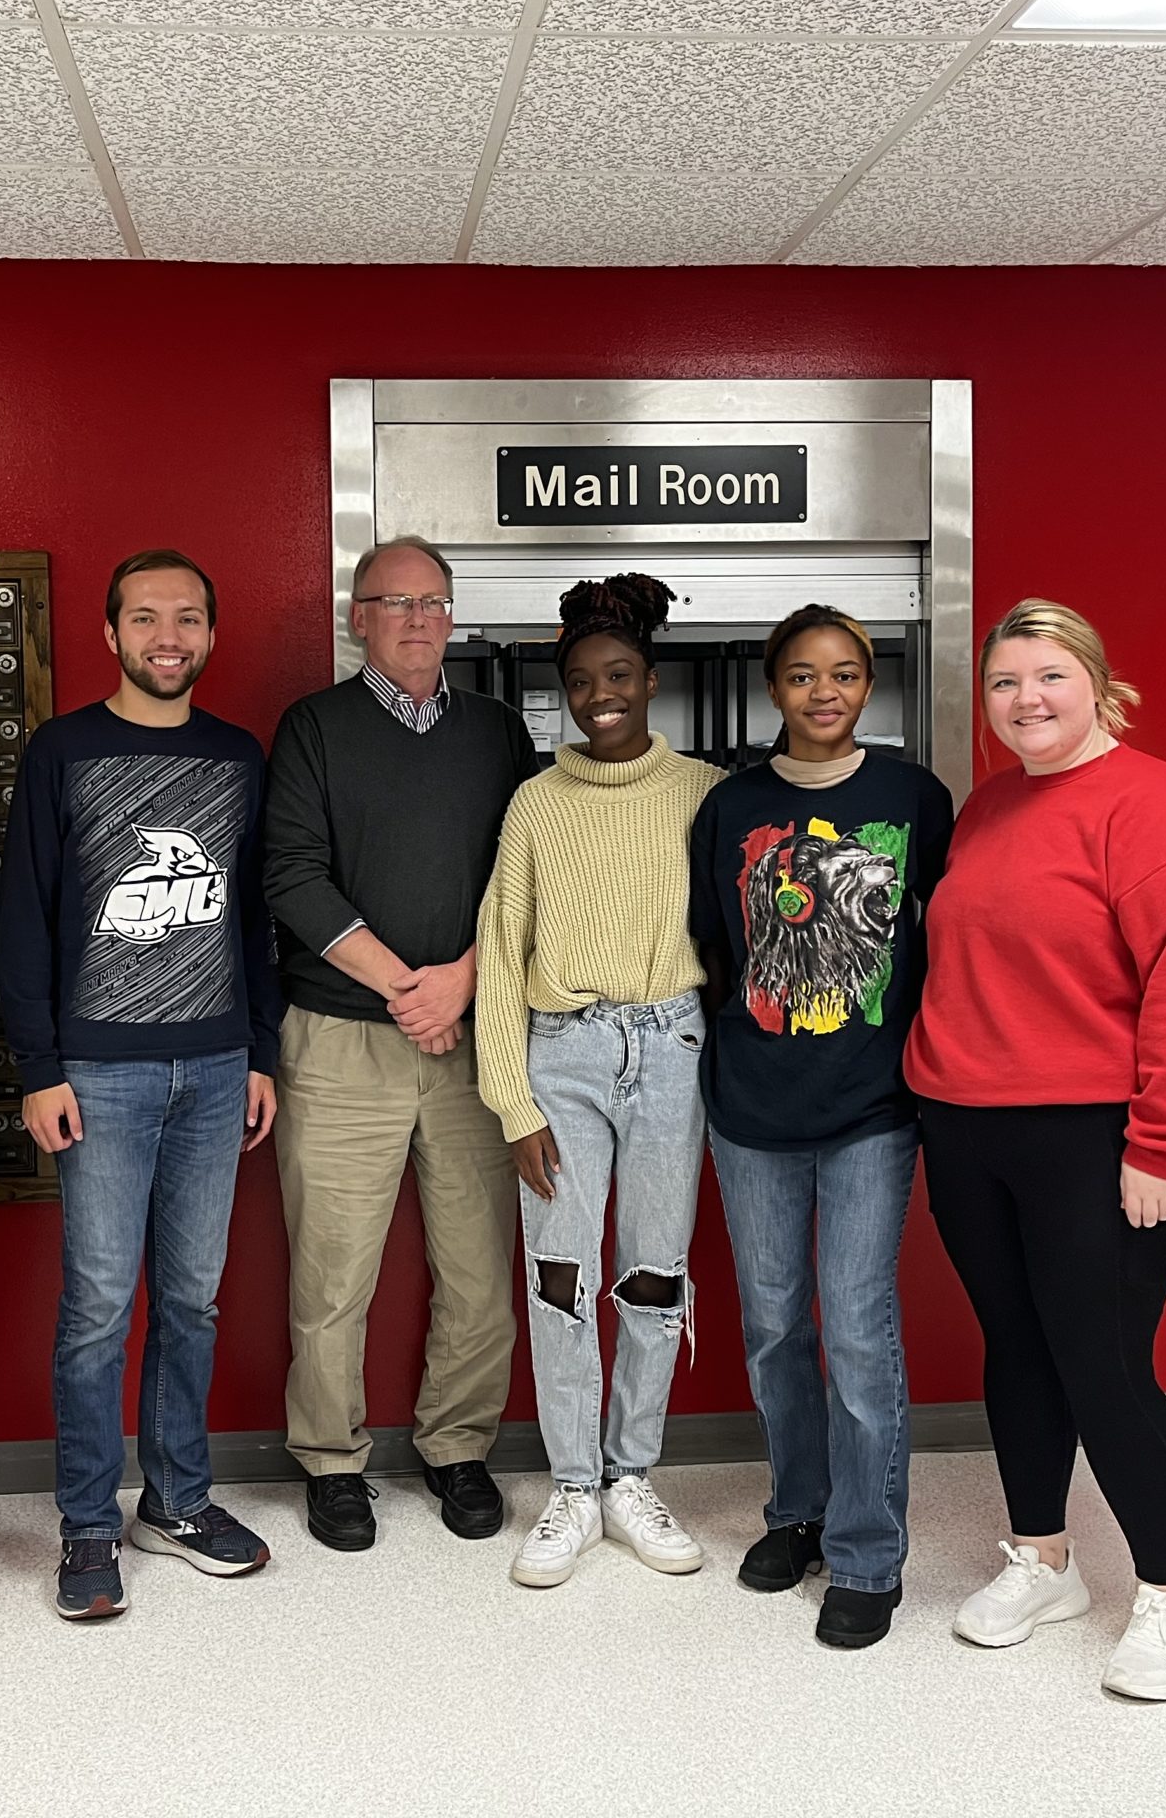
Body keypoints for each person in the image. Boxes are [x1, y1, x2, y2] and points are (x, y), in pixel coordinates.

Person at [908, 598, 1166, 1702]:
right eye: (1005, 684)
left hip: (1095, 1136)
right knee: (1015, 1347)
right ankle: (1043, 1558)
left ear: (1096, 684)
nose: (1024, 702)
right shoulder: (991, 808)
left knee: (1102, 1364)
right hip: (967, 1127)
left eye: (1047, 678)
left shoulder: (1163, 812)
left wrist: (1164, 1144)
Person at [0, 548, 282, 1622]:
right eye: (148, 618)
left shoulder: (238, 756)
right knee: (98, 1308)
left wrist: (258, 1051)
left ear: (211, 635)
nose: (171, 636)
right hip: (98, 1076)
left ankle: (177, 1501)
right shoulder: (62, 751)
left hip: (215, 1069)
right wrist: (38, 1069)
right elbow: (22, 917)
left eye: (191, 618)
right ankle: (85, 1525)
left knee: (194, 1301)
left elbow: (252, 921)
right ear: (110, 634)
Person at [263, 536, 541, 1551]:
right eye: (395, 602)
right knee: (333, 1270)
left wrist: (462, 982)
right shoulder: (314, 729)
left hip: (474, 1038)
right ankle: (332, 1462)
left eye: (433, 602)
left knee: (477, 1265)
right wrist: (405, 988)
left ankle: (457, 1447)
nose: (418, 620)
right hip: (340, 1041)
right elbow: (290, 876)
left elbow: (523, 873)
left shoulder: (499, 733)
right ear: (357, 618)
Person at [687, 604, 952, 1651]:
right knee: (771, 1326)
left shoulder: (911, 797)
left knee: (854, 1323)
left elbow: (953, 938)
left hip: (871, 1109)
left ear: (870, 685)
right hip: (751, 1106)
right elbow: (716, 945)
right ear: (774, 689)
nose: (826, 692)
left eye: (845, 673)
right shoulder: (731, 808)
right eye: (804, 676)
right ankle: (795, 1511)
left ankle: (866, 1551)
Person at [475, 575, 721, 1588]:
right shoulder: (535, 803)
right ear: (563, 693)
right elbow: (499, 952)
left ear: (649, 680)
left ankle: (631, 1476)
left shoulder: (706, 793)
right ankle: (572, 1484)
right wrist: (512, 1099)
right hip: (563, 1052)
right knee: (560, 1271)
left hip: (673, 1048)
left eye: (616, 676)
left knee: (654, 1272)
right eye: (580, 682)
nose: (598, 696)